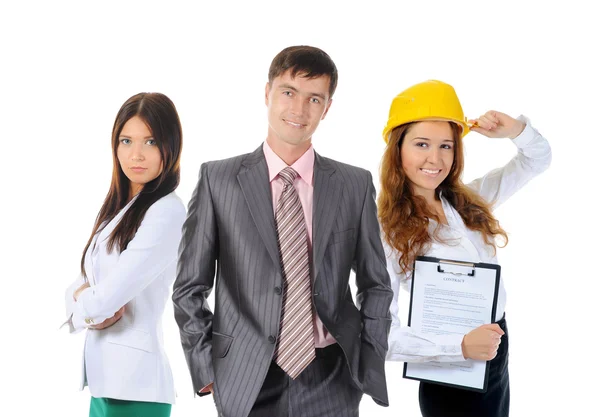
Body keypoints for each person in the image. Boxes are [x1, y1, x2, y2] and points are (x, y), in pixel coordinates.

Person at [173, 45, 393, 417]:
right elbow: (189, 287)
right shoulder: (219, 179)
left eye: (314, 99)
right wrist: (206, 368)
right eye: (288, 92)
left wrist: (368, 363)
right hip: (245, 377)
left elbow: (376, 284)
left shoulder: (354, 184)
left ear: (327, 108)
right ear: (267, 93)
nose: (299, 109)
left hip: (332, 376)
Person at [378, 80, 552, 416]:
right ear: (397, 150)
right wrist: (458, 347)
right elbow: (376, 331)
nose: (435, 158)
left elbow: (538, 159)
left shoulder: (469, 202)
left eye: (446, 145)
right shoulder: (385, 231)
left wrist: (513, 129)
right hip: (447, 367)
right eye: (421, 144)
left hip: (495, 353)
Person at [62, 92, 186, 417]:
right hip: (105, 381)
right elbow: (82, 284)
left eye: (150, 142)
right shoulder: (117, 211)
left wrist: (83, 307)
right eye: (126, 140)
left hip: (136, 387)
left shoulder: (167, 212)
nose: (136, 154)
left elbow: (107, 297)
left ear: (169, 146)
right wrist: (87, 305)